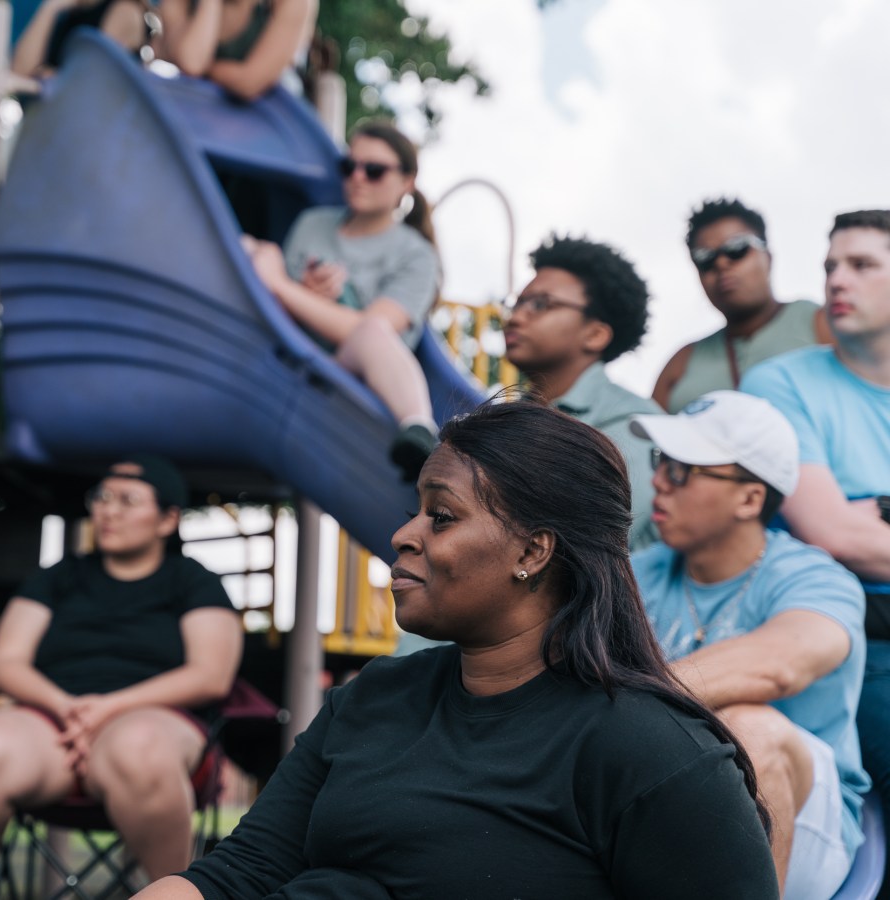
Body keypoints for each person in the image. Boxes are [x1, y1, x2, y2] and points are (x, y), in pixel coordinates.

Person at [135, 401, 779, 900]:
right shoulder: (370, 701)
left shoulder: (652, 752)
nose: (403, 535)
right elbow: (236, 877)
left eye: (440, 516)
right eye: (416, 511)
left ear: (533, 552)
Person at [0, 455, 243, 898]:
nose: (109, 511)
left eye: (128, 501)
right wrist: (67, 708)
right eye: (102, 497)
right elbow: (7, 661)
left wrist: (108, 709)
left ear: (167, 519)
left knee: (140, 750)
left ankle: (174, 894)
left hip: (158, 722)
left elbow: (210, 675)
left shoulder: (194, 582)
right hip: (53, 725)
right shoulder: (57, 577)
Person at [630, 390, 868, 899]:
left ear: (750, 498)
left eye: (681, 470)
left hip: (804, 826)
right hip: (664, 795)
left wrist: (615, 697)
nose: (657, 481)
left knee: (748, 728)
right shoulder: (635, 573)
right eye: (661, 462)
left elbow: (779, 665)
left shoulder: (815, 577)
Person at [741, 209, 890, 890]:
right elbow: (837, 535)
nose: (837, 279)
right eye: (831, 264)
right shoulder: (784, 383)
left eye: (861, 265)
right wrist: (862, 523)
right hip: (851, 639)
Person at [246, 121, 441, 481]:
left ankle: (419, 430)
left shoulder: (417, 255)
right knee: (253, 247)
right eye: (349, 167)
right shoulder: (313, 223)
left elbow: (363, 328)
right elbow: (278, 308)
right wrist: (302, 287)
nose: (358, 178)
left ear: (406, 182)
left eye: (375, 171)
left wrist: (283, 286)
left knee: (373, 331)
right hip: (292, 357)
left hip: (360, 380)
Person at [503, 235, 661, 550]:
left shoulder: (635, 425)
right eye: (516, 303)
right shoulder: (507, 419)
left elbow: (579, 546)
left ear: (595, 334)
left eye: (540, 304)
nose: (515, 318)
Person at [653, 198, 829, 412]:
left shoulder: (820, 323)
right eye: (705, 259)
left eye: (737, 249)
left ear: (769, 257)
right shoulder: (681, 363)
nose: (721, 264)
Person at [156, 0, 317, 99]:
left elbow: (248, 83)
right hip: (188, 104)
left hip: (265, 118)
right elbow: (192, 62)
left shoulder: (293, 3)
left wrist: (206, 70)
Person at [11, 0, 158, 78]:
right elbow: (19, 73)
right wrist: (51, 6)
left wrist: (54, 77)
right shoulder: (68, 11)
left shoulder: (125, 9)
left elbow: (90, 84)